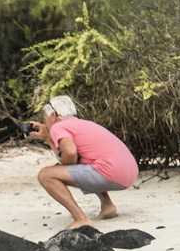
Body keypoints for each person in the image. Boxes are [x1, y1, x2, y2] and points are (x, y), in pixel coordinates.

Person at [28, 95, 138, 230]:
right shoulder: (84, 123)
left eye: (45, 117)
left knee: (46, 175)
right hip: (129, 174)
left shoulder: (59, 126)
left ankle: (81, 219)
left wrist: (65, 166)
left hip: (109, 174)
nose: (44, 121)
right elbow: (70, 155)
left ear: (54, 115)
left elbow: (70, 152)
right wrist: (48, 138)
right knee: (86, 162)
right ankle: (107, 205)